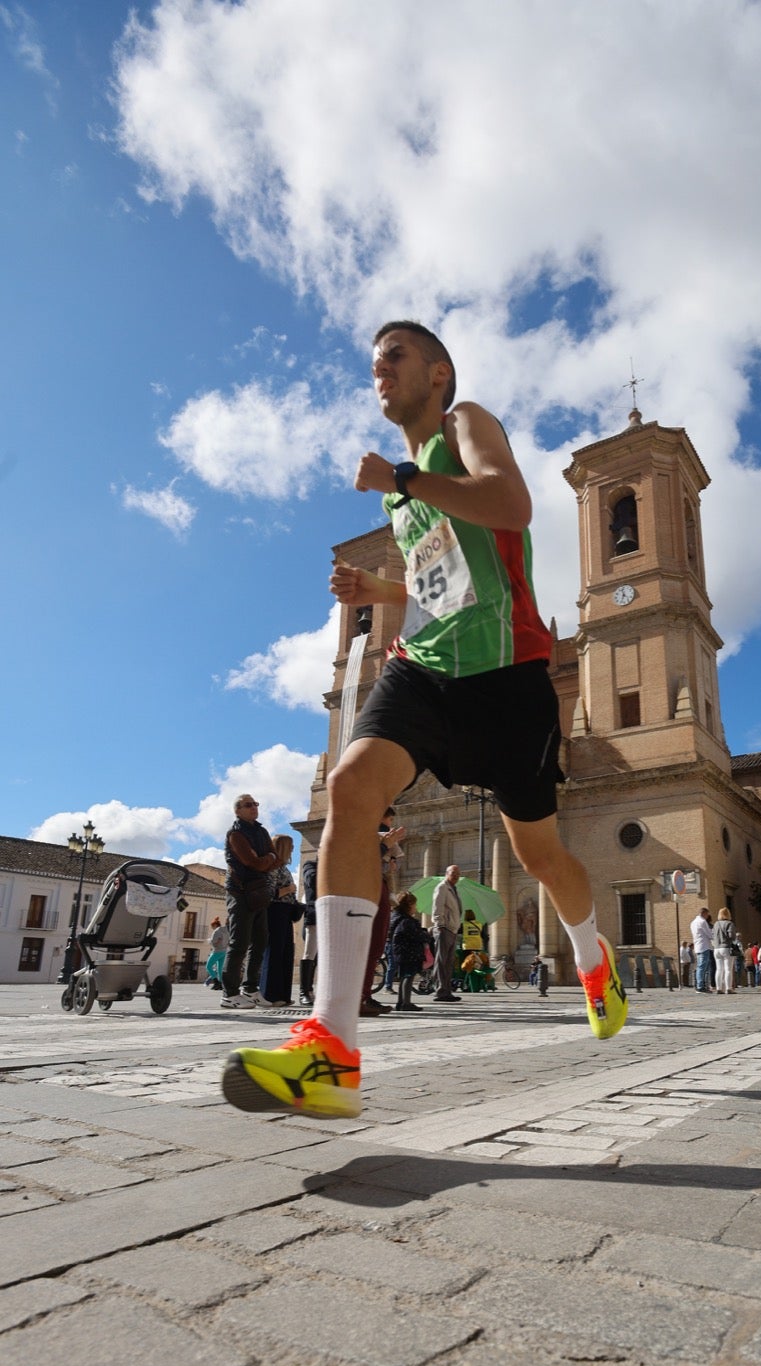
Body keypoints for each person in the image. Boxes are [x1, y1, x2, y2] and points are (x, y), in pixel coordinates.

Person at [221, 321, 626, 1119]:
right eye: (374, 363)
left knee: (540, 855)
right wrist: (384, 597)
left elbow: (510, 505)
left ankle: (591, 957)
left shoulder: (462, 426)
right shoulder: (402, 498)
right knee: (351, 787)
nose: (380, 369)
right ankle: (331, 1047)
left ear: (437, 373)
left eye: (395, 356)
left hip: (508, 677)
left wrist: (405, 477)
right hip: (425, 668)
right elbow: (449, 582)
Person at [220, 795, 276, 1009]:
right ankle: (229, 994)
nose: (254, 808)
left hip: (259, 892)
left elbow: (274, 856)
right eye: (248, 805)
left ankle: (251, 989)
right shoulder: (236, 833)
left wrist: (266, 859)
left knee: (260, 941)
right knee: (239, 943)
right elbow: (251, 861)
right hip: (240, 891)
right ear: (238, 811)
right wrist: (265, 859)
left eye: (255, 804)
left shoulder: (261, 831)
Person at [361, 807, 405, 1019]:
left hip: (379, 888)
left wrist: (389, 861)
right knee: (370, 946)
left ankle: (365, 995)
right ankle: (360, 997)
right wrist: (385, 846)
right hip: (370, 889)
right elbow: (364, 861)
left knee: (376, 946)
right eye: (389, 818)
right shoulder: (369, 833)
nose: (390, 823)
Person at [259, 835, 302, 1007]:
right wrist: (289, 889)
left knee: (286, 952)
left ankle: (283, 994)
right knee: (275, 952)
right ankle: (270, 994)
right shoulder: (273, 866)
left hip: (285, 912)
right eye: (290, 845)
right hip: (275, 911)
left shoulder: (283, 866)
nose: (293, 848)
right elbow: (269, 892)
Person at [389, 891, 429, 1012]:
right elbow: (414, 935)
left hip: (402, 952)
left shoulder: (398, 918)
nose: (415, 908)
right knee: (408, 976)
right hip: (408, 952)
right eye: (414, 905)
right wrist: (425, 935)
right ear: (409, 905)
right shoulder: (406, 921)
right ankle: (406, 1003)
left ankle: (401, 1002)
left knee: (404, 976)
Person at [431, 863, 464, 1003]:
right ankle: (440, 991)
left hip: (452, 930)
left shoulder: (453, 889)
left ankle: (446, 990)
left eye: (457, 875)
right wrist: (441, 925)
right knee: (441, 961)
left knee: (448, 963)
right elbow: (437, 908)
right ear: (446, 874)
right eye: (453, 874)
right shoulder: (442, 887)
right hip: (444, 929)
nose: (456, 877)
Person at [299, 856, 317, 1006]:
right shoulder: (310, 865)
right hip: (315, 914)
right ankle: (304, 991)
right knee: (309, 953)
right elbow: (312, 880)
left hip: (333, 915)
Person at [710, 906, 738, 994]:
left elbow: (712, 935)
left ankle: (718, 988)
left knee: (719, 969)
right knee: (728, 969)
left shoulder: (716, 924)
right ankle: (728, 988)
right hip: (726, 948)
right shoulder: (729, 923)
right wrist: (734, 936)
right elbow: (731, 936)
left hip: (716, 949)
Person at [690, 908, 713, 993]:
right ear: (704, 913)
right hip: (704, 946)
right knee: (702, 967)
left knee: (700, 966)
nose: (707, 917)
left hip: (697, 946)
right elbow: (709, 934)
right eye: (707, 914)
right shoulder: (702, 922)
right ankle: (700, 986)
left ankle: (700, 985)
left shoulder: (693, 922)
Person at [204, 917, 227, 990]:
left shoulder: (217, 931)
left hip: (217, 951)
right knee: (220, 969)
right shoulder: (226, 931)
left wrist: (209, 941)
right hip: (224, 951)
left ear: (215, 925)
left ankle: (216, 982)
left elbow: (214, 941)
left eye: (212, 926)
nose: (212, 928)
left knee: (208, 966)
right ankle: (220, 984)